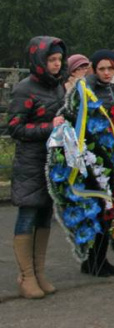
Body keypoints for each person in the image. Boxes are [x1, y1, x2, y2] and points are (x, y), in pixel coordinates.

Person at [7, 37, 66, 299]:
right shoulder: (24, 89)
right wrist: (49, 128)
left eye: (58, 60)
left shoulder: (57, 88)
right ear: (39, 61)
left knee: (44, 216)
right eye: (51, 60)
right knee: (28, 215)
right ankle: (26, 275)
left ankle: (39, 271)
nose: (56, 64)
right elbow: (16, 127)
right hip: (30, 162)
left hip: (51, 161)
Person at [82, 49, 114, 276]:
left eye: (110, 68)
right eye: (102, 69)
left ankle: (100, 258)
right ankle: (92, 260)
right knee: (97, 209)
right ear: (94, 69)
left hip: (113, 156)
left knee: (108, 209)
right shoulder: (87, 90)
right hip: (93, 158)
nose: (107, 73)